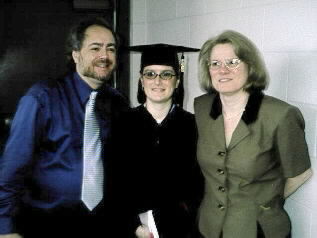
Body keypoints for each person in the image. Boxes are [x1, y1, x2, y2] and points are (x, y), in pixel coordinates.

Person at [0, 17, 129, 238]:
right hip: (46, 225)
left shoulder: (118, 103)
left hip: (103, 224)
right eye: (95, 48)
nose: (104, 56)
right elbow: (12, 169)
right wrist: (5, 228)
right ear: (76, 54)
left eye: (111, 49)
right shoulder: (41, 98)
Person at [194, 30, 312, 238]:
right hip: (209, 227)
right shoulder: (202, 107)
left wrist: (266, 202)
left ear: (250, 66)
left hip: (257, 229)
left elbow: (300, 174)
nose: (223, 70)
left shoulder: (281, 115)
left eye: (233, 62)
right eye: (215, 63)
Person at [115, 43, 204, 238]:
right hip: (132, 228)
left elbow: (199, 185)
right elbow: (113, 184)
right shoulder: (121, 124)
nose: (158, 81)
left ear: (177, 81)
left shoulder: (194, 126)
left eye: (166, 74)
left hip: (182, 228)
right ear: (141, 80)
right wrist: (134, 226)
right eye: (150, 74)